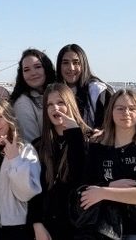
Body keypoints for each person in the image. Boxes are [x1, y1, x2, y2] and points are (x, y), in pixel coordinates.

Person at [80, 89, 136, 240]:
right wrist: (110, 185)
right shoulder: (98, 148)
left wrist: (104, 192)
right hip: (105, 229)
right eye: (120, 108)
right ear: (111, 112)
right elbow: (86, 187)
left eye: (132, 108)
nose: (126, 113)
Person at [29, 83, 91, 240]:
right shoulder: (39, 145)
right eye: (49, 104)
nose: (55, 108)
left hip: (80, 229)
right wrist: (36, 223)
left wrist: (74, 133)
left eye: (60, 102)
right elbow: (34, 189)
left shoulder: (90, 140)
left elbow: (80, 178)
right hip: (48, 229)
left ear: (70, 104)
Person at [0, 98, 41, 239]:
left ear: (9, 117)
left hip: (16, 228)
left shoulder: (25, 149)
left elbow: (27, 193)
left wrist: (15, 160)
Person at [56, 43, 114, 130]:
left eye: (76, 63)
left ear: (84, 64)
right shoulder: (54, 93)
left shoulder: (97, 91)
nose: (71, 68)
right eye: (65, 63)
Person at [9, 48, 56, 143]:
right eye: (26, 70)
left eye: (37, 67)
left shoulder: (57, 93)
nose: (33, 73)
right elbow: (32, 142)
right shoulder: (23, 103)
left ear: (46, 68)